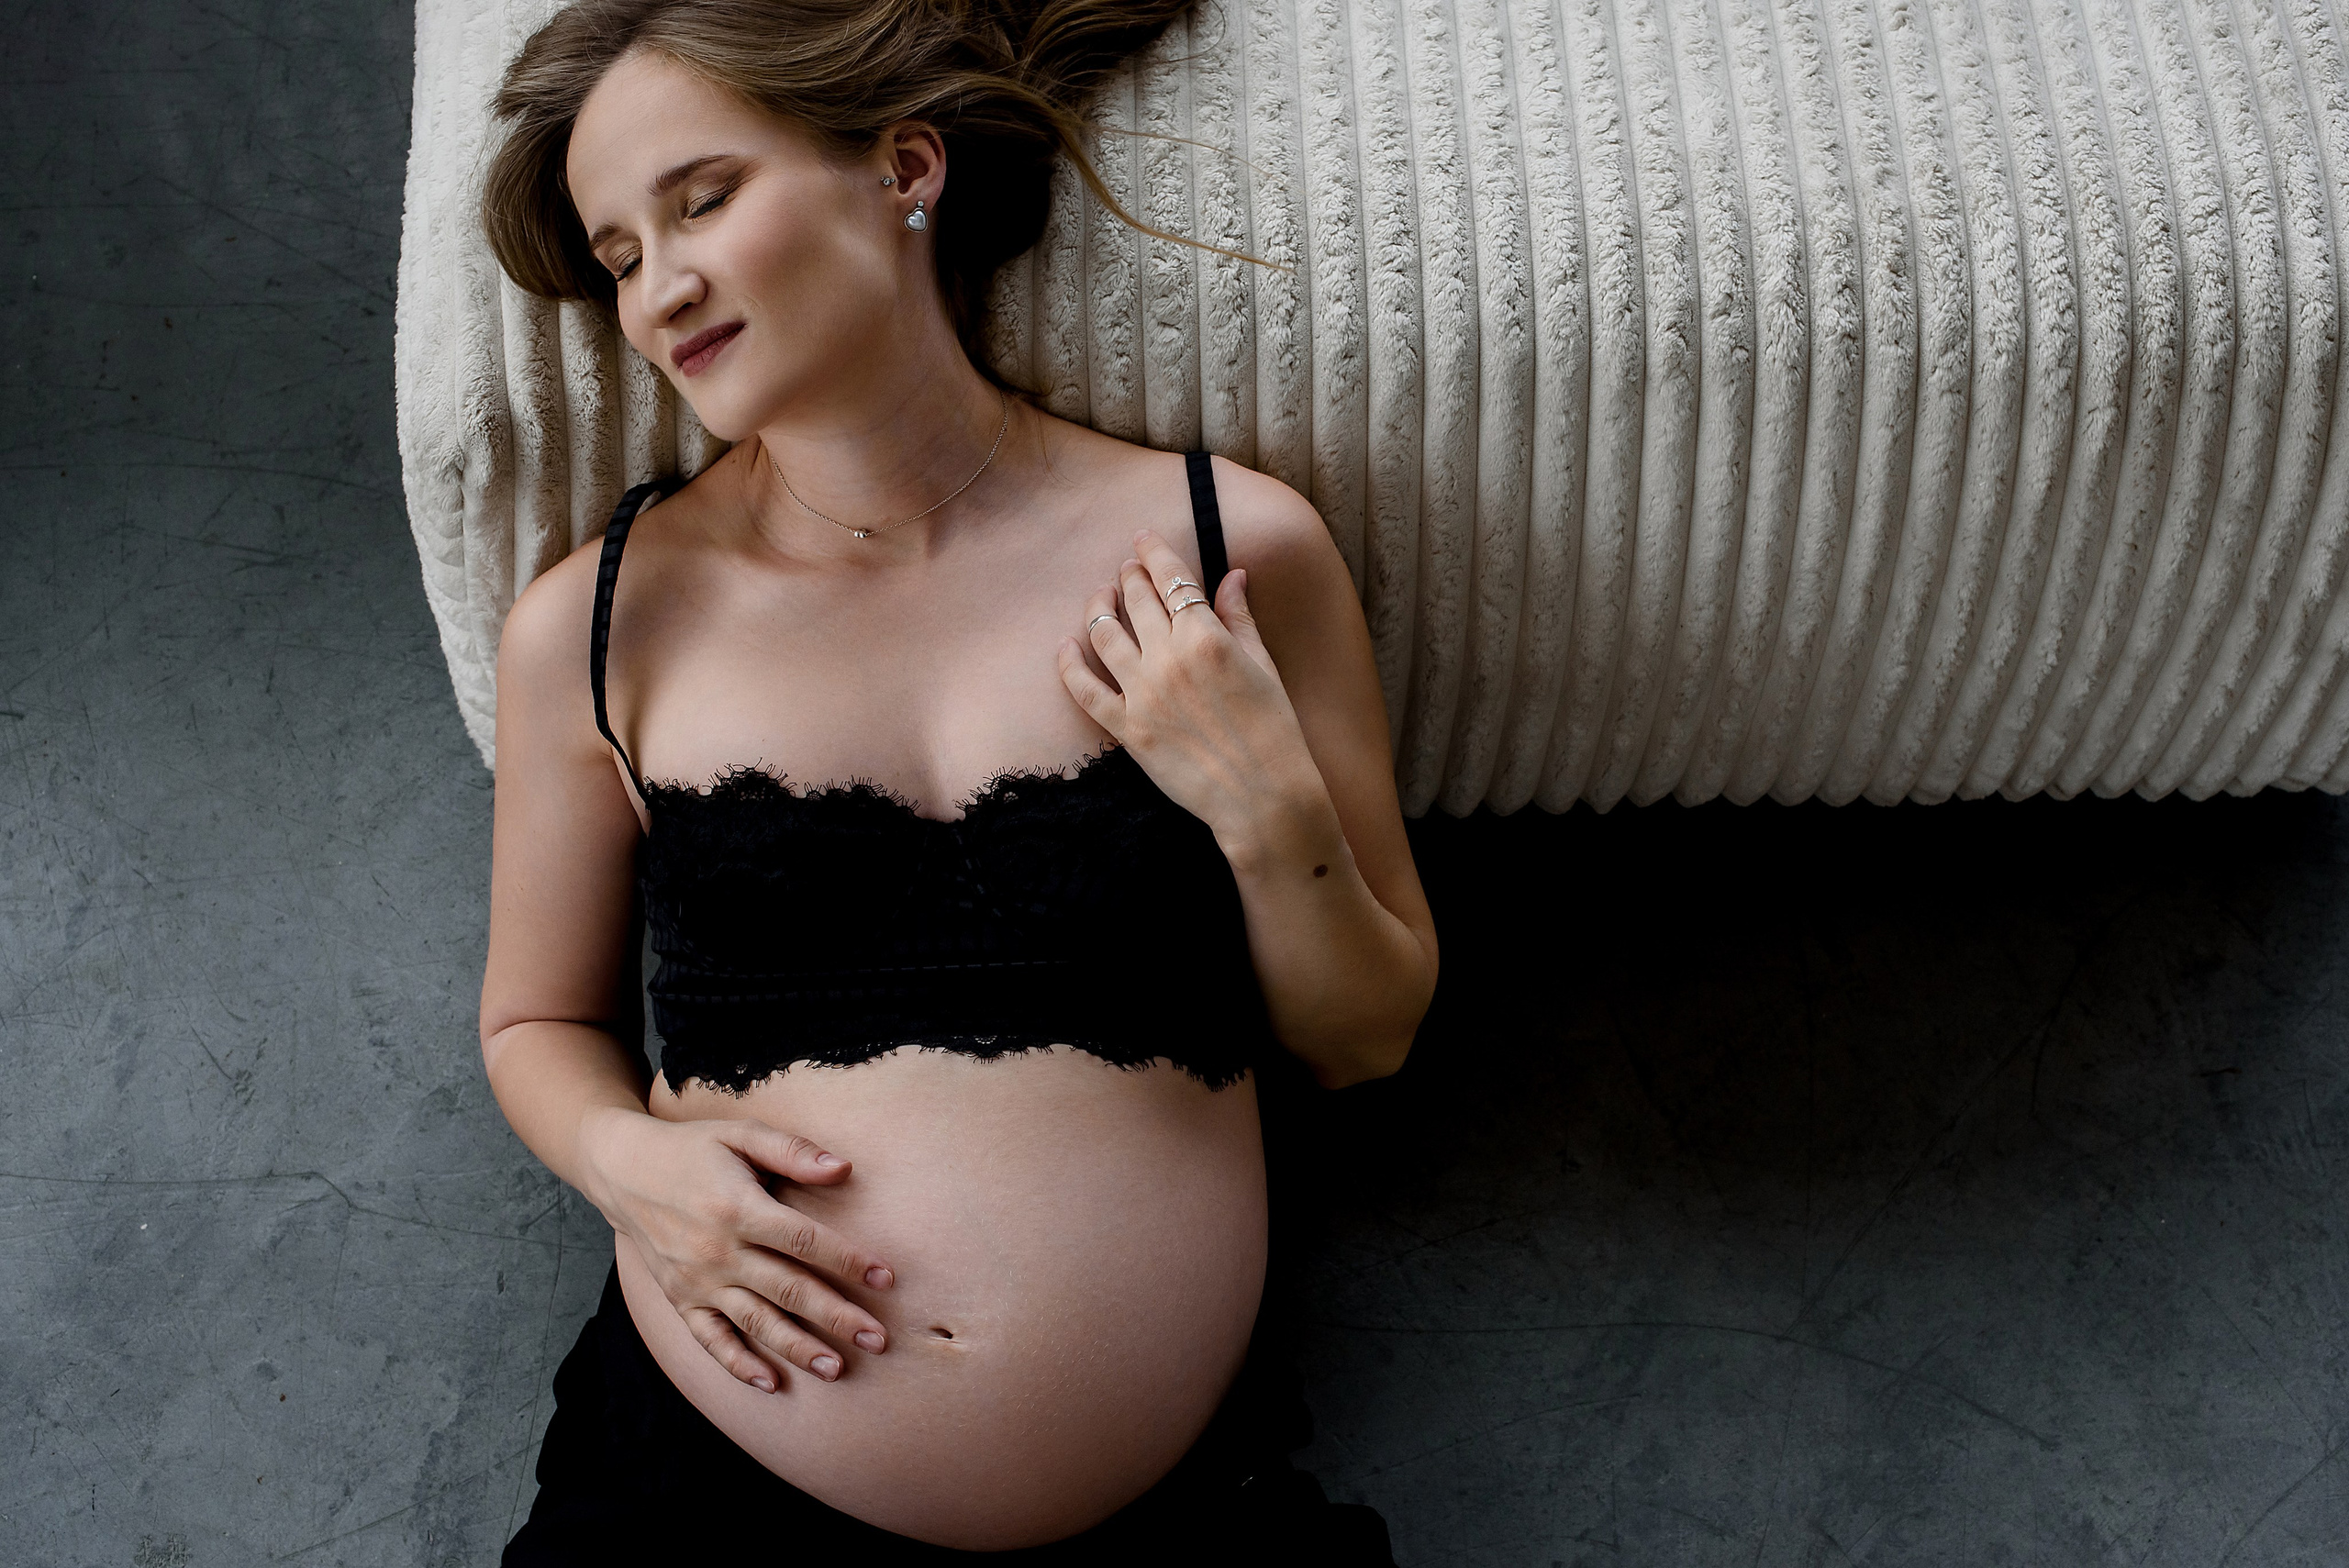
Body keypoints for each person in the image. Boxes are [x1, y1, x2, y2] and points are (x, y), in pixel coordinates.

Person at [473, 1, 1437, 1560]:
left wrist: (1266, 806)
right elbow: (533, 1021)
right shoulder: (595, 625)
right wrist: (624, 1158)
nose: (661, 290)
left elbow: (1368, 1033)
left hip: (1178, 1511)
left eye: (701, 198)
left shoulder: (1226, 551)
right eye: (621, 255)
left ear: (903, 167)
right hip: (705, 1496)